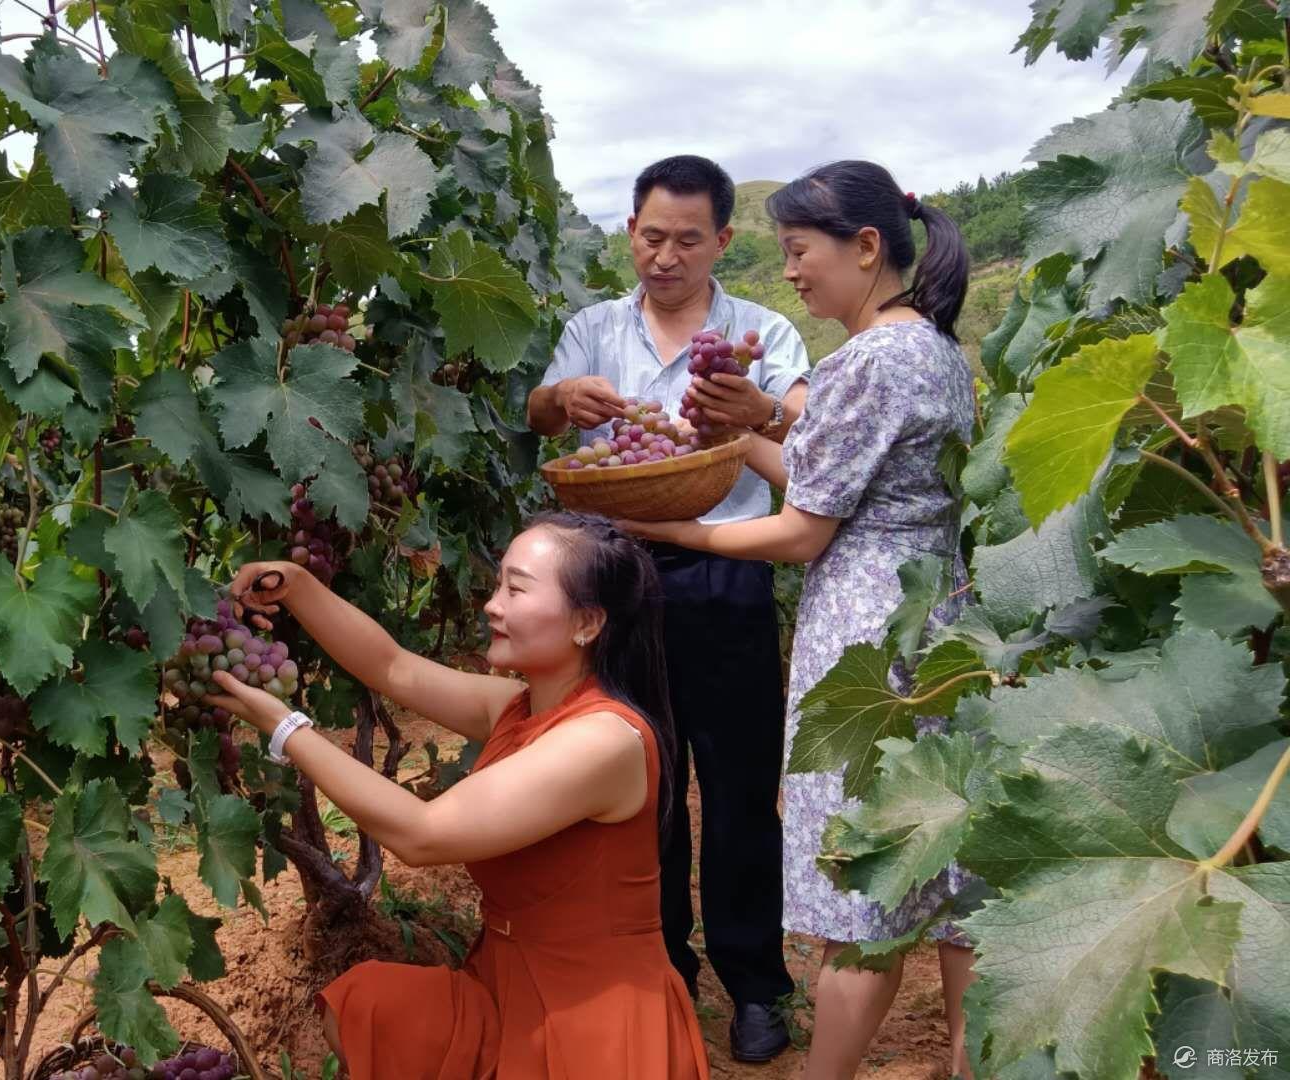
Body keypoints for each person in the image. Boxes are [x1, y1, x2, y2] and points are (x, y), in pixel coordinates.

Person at [619, 160, 979, 1080]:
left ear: (867, 248)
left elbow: (805, 531)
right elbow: (839, 486)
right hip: (932, 616)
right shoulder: (932, 347)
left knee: (862, 882)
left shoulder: (867, 361)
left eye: (800, 251)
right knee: (946, 866)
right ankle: (972, 1059)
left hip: (865, 640)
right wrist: (745, 440)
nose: (791, 272)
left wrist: (676, 523)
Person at [203, 513, 707, 1080]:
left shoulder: (604, 741)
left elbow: (422, 835)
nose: (492, 604)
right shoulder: (523, 705)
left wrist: (287, 729)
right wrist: (297, 583)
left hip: (590, 1019)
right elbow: (392, 667)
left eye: (516, 589)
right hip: (506, 983)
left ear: (587, 623)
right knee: (367, 1006)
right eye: (499, 585)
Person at [526, 154, 805, 1061]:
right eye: (652, 236)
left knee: (735, 791)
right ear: (631, 232)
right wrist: (562, 399)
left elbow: (804, 426)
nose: (666, 256)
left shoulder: (762, 331)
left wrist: (756, 411)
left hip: (726, 574)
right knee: (640, 790)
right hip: (614, 583)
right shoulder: (593, 329)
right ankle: (664, 974)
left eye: (689, 239)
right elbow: (536, 411)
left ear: (723, 240)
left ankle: (757, 982)